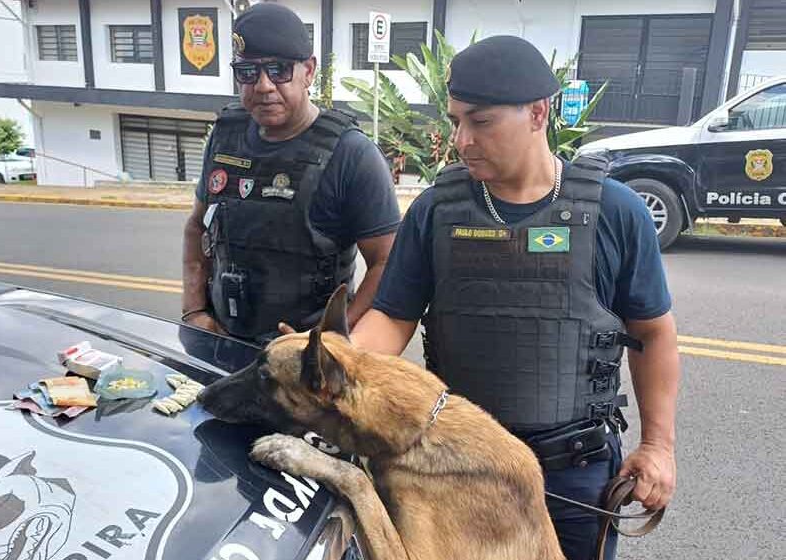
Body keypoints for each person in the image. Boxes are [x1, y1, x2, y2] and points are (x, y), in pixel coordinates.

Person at [350, 35, 680, 560]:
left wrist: (658, 446)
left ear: (537, 113)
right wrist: (335, 365)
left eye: (480, 122)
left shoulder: (617, 212)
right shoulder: (436, 211)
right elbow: (391, 317)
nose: (462, 139)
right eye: (456, 121)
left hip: (574, 474)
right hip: (455, 461)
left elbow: (653, 333)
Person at [182, 3, 399, 345]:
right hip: (223, 343)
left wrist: (329, 339)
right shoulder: (225, 136)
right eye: (248, 72)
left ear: (309, 71)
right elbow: (197, 227)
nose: (264, 85)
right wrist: (194, 310)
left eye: (279, 70)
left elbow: (387, 262)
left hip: (304, 370)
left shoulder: (352, 154)